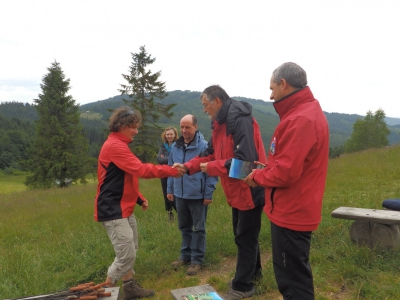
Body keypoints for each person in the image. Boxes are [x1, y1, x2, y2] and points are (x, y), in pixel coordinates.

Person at [244, 62, 329, 299]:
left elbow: (286, 173)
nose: (270, 95)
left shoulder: (300, 119)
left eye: (272, 88)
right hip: (291, 207)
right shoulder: (303, 112)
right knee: (293, 275)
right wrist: (269, 167)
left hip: (292, 212)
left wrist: (258, 176)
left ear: (284, 84)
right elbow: (291, 163)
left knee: (292, 282)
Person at [174, 86, 267, 300]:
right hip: (236, 190)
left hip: (250, 187)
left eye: (205, 105)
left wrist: (214, 167)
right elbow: (211, 153)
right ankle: (254, 274)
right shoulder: (219, 123)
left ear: (217, 101)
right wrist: (189, 166)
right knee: (245, 235)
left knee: (245, 237)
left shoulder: (239, 119)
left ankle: (243, 286)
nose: (204, 110)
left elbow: (246, 164)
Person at [94, 106, 184, 300]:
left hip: (123, 207)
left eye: (137, 127)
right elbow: (141, 170)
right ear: (122, 126)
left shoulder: (120, 144)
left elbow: (124, 177)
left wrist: (138, 197)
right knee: (126, 255)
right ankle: (103, 289)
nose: (136, 131)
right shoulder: (115, 146)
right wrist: (171, 171)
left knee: (131, 249)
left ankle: (129, 287)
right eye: (133, 127)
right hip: (112, 209)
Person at [167, 114, 218, 276]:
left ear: (195, 127)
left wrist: (208, 193)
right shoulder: (176, 146)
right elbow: (170, 169)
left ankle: (197, 260)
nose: (184, 130)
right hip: (180, 194)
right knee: (184, 227)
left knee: (199, 228)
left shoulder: (204, 146)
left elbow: (211, 172)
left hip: (198, 195)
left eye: (187, 127)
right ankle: (185, 256)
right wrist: (170, 190)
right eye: (182, 127)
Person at [157, 126, 179, 221]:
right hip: (164, 174)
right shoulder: (163, 146)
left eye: (171, 134)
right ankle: (170, 215)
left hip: (175, 173)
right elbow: (159, 159)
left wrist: (165, 158)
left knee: (175, 195)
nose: (169, 136)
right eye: (167, 134)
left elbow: (178, 159)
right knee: (166, 195)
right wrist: (171, 159)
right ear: (165, 135)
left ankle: (181, 213)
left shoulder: (178, 145)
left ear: (174, 135)